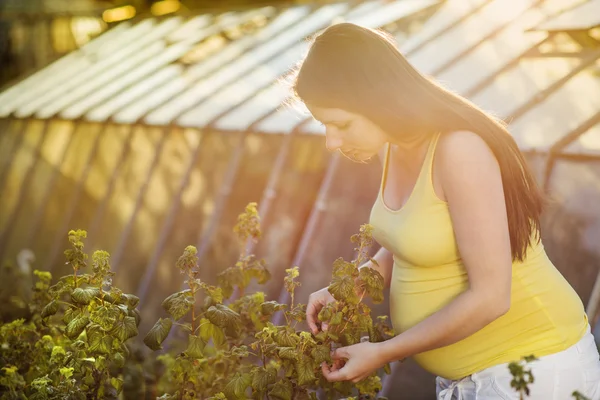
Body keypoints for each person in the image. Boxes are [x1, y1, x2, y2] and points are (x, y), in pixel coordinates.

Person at [293, 22, 600, 399]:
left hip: (534, 371)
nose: (331, 141)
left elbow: (491, 297)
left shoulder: (459, 149)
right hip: (478, 378)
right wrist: (352, 286)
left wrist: (384, 352)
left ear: (376, 101)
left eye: (341, 124)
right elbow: (419, 236)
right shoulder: (395, 145)